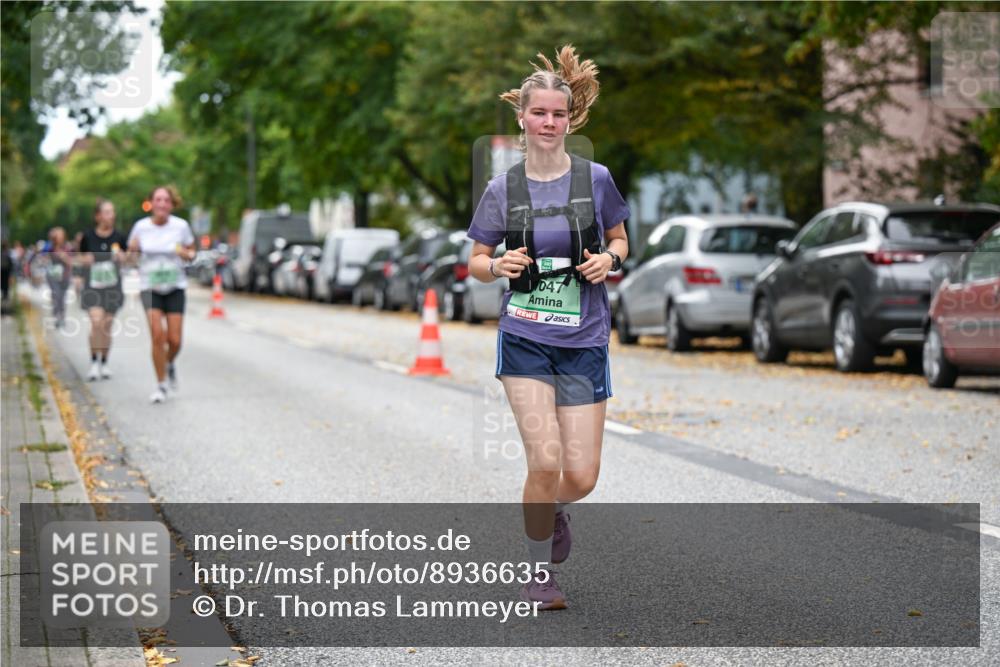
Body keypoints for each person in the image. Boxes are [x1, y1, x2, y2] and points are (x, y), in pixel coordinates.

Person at [467, 45, 630, 610]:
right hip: (526, 338)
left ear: (570, 118)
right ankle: (538, 575)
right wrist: (497, 266)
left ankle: (553, 511)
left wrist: (610, 260)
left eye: (558, 114)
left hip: (584, 341)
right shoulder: (503, 190)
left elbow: (619, 240)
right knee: (544, 461)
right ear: (522, 117)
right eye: (539, 113)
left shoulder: (596, 179)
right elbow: (477, 260)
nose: (549, 123)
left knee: (581, 476)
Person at [127, 185, 196, 404]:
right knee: (158, 336)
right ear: (151, 203)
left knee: (175, 340)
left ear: (171, 204)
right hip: (150, 287)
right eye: (158, 200)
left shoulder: (181, 226)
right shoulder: (140, 227)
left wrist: (185, 253)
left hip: (175, 287)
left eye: (166, 200)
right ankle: (161, 384)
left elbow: (192, 253)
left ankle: (168, 362)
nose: (162, 204)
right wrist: (133, 250)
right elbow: (130, 259)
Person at [79, 199, 128, 381]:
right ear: (98, 216)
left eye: (112, 212)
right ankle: (93, 362)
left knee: (107, 326)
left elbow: (130, 259)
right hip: (93, 287)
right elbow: (80, 258)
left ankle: (104, 362)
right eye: (107, 212)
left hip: (113, 288)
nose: (111, 216)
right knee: (96, 323)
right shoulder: (88, 236)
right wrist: (85, 260)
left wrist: (123, 257)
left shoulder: (120, 237)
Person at [42, 227, 73, 328]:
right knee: (56, 295)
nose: (59, 237)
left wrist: (63, 257)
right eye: (57, 235)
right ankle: (56, 315)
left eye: (61, 235)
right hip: (53, 276)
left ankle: (62, 316)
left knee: (62, 297)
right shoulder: (49, 247)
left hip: (64, 276)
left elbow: (71, 262)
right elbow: (43, 258)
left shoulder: (67, 247)